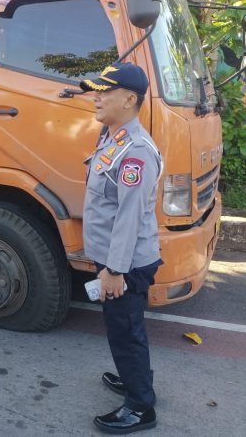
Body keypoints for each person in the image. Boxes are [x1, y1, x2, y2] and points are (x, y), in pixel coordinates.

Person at [80, 63, 163, 434]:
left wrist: (114, 271)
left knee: (125, 331)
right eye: (95, 90)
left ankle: (140, 406)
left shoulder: (136, 152)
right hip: (116, 257)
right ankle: (136, 379)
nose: (96, 97)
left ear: (130, 99)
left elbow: (129, 217)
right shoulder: (113, 136)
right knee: (125, 327)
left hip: (125, 262)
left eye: (104, 91)